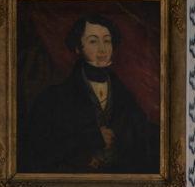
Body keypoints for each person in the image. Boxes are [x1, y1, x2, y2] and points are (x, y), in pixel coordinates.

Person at [22, 14, 159, 174]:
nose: (102, 49)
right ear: (77, 48)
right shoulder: (54, 98)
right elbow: (37, 151)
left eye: (107, 41)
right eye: (93, 41)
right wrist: (91, 138)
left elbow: (142, 138)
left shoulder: (125, 96)